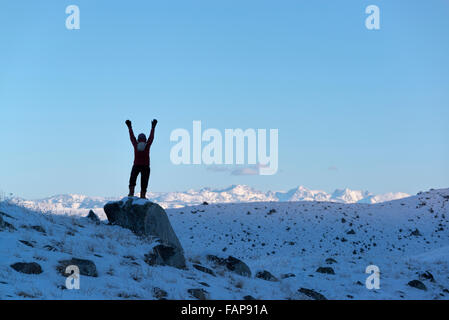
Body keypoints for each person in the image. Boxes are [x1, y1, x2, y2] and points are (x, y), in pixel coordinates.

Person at [125, 119, 157, 199]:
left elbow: (132, 137)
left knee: (132, 179)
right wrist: (153, 127)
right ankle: (142, 196)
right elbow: (151, 138)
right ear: (145, 139)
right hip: (146, 166)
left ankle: (131, 193)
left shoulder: (136, 145)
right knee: (144, 182)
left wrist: (129, 127)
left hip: (136, 165)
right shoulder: (147, 145)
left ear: (138, 139)